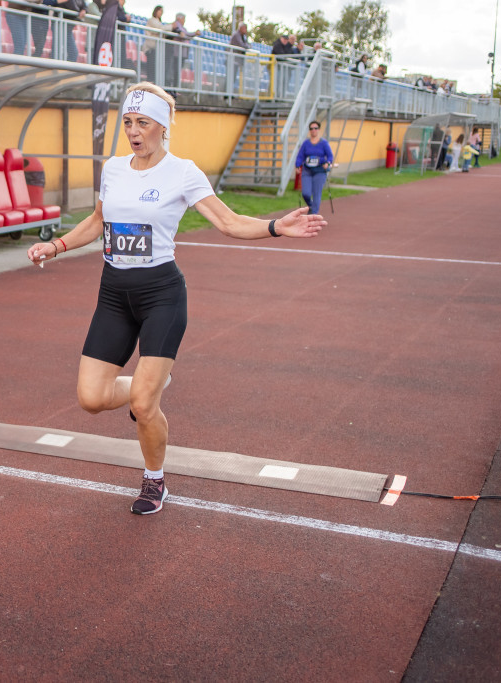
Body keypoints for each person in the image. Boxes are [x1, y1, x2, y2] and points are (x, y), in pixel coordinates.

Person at [25, 83, 326, 515]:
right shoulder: (112, 169)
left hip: (161, 295)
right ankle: (154, 380)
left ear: (162, 127)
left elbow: (229, 222)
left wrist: (276, 226)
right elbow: (97, 221)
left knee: (144, 405)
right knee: (91, 399)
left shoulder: (182, 172)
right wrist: (56, 246)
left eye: (142, 123)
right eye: (127, 122)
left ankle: (154, 481)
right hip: (113, 294)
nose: (133, 131)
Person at [295, 121, 334, 214]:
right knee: (306, 193)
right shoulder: (306, 143)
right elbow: (300, 156)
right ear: (309, 130)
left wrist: (328, 163)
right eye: (311, 128)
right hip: (307, 171)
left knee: (317, 193)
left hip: (320, 171)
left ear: (319, 130)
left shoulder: (324, 143)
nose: (313, 130)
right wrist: (297, 165)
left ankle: (314, 214)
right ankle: (311, 206)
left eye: (315, 128)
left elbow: (330, 156)